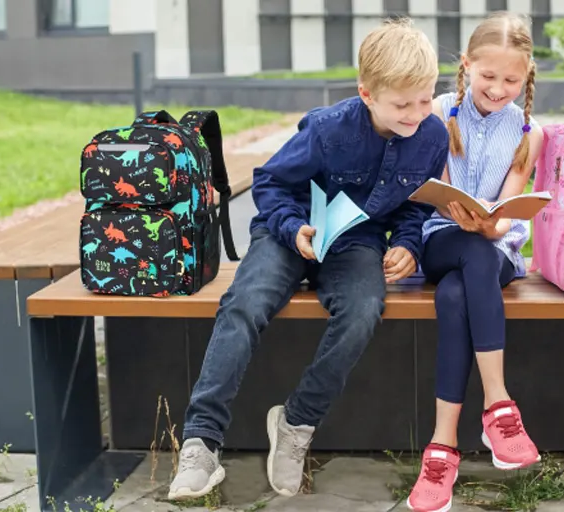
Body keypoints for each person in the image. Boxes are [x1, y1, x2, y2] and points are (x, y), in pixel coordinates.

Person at [167, 17, 449, 501]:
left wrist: (407, 244)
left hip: (355, 243)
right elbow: (270, 182)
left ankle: (296, 423)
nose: (416, 113)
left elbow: (413, 205)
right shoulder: (326, 129)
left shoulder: (431, 137)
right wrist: (293, 228)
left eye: (425, 99)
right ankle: (201, 441)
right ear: (367, 93)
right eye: (402, 104)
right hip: (289, 233)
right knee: (245, 304)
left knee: (363, 310)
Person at [406, 11, 544, 512]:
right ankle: (498, 406)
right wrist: (453, 209)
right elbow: (427, 191)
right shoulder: (437, 110)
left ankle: (442, 448)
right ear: (466, 66)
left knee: (460, 287)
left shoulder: (530, 130)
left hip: (495, 251)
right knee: (466, 257)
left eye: (511, 80)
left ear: (526, 77)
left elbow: (509, 212)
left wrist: (494, 224)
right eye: (488, 77)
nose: (498, 88)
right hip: (442, 239)